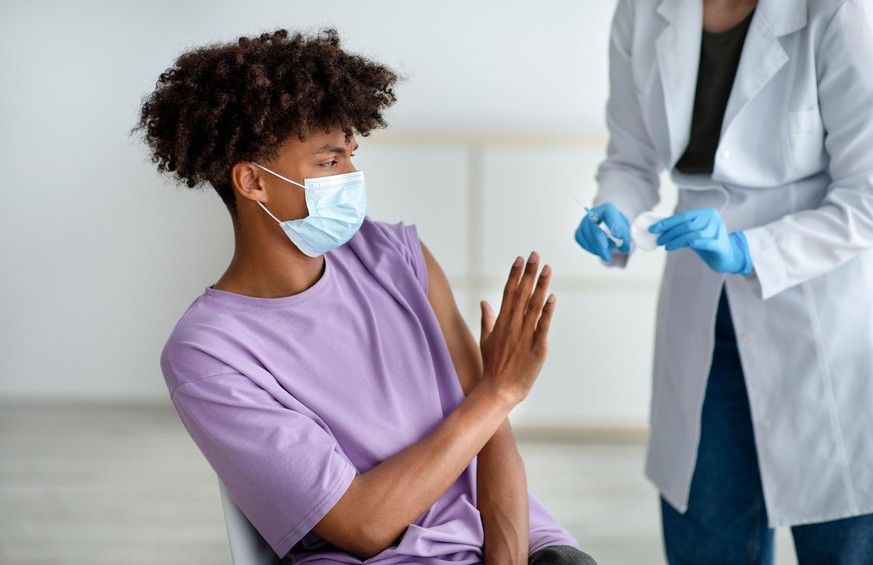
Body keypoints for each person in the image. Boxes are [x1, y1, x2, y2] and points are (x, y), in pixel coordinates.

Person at [136, 29, 596, 565]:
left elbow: (491, 434)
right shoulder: (209, 355)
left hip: (504, 536)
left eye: (351, 156)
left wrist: (508, 558)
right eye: (329, 163)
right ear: (252, 183)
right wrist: (498, 392)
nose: (352, 177)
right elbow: (363, 525)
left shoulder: (398, 256)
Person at [574, 0, 873, 562]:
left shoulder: (837, 10)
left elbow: (867, 193)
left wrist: (750, 250)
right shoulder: (642, 10)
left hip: (817, 306)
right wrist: (613, 208)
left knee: (844, 539)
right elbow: (631, 160)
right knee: (707, 531)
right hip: (700, 312)